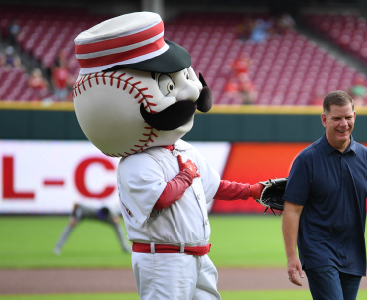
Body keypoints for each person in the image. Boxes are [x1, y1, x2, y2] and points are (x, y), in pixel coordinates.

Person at [71, 12, 268, 299]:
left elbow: (212, 186)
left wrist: (254, 190)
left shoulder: (184, 149)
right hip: (161, 260)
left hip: (199, 256)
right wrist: (186, 174)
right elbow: (160, 198)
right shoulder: (136, 162)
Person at [281, 90, 367, 300]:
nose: (344, 124)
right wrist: (291, 256)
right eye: (337, 118)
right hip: (318, 251)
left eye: (348, 117)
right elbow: (292, 211)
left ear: (354, 116)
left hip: (354, 252)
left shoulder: (365, 156)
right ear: (324, 119)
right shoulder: (307, 160)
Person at [54, 201, 130, 255]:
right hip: (84, 214)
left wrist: (115, 217)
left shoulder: (110, 210)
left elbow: (118, 207)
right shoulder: (89, 207)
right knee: (70, 226)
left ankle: (125, 248)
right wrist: (73, 216)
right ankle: (57, 247)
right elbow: (76, 204)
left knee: (118, 227)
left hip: (106, 217)